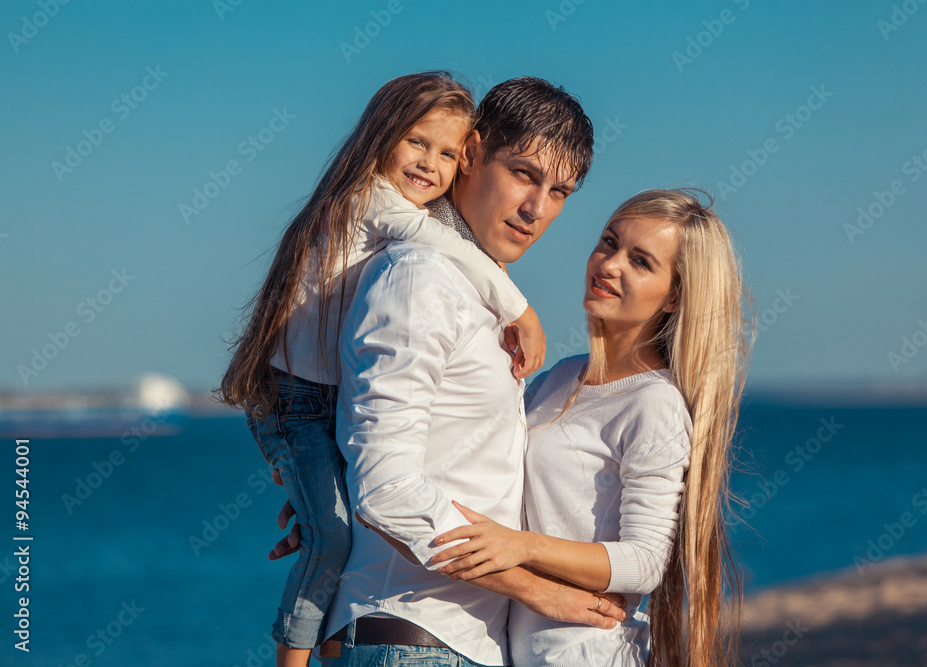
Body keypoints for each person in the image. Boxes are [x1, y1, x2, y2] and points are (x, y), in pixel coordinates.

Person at [218, 72, 546, 667]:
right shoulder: (373, 202)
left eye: (448, 153)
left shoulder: (393, 224)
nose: (430, 163)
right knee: (329, 538)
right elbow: (437, 242)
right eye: (417, 142)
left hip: (314, 404)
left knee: (329, 528)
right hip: (297, 403)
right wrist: (522, 309)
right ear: (380, 137)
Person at [314, 77, 629, 667]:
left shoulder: (483, 291)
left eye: (559, 191)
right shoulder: (420, 279)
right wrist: (535, 588)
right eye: (524, 174)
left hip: (455, 644)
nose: (537, 209)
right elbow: (386, 488)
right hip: (410, 635)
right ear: (472, 154)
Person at [432, 189, 751, 666]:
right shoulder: (560, 376)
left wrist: (520, 547)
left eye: (641, 262)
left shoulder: (654, 403)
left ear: (675, 296)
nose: (610, 264)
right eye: (609, 242)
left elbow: (644, 563)